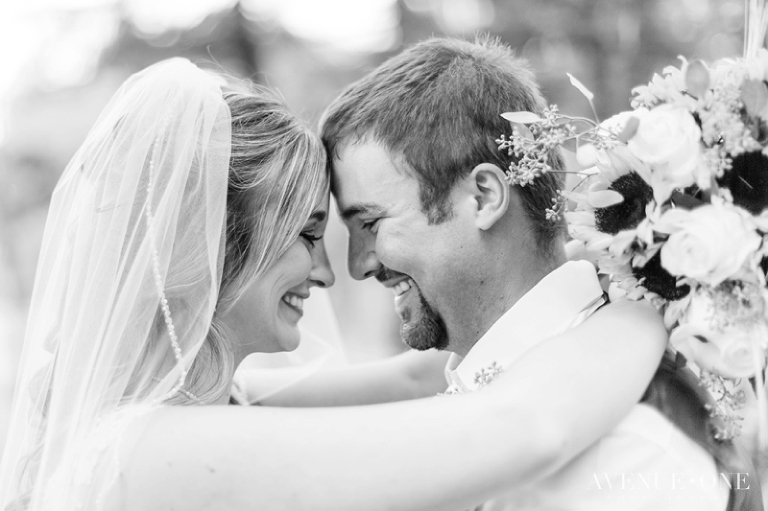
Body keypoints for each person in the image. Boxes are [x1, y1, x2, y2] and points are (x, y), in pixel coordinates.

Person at [0, 57, 671, 511]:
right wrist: (666, 287)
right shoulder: (157, 450)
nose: (330, 271)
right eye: (308, 232)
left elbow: (425, 379)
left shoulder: (203, 402)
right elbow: (526, 425)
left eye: (361, 223)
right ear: (201, 249)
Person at [318, 36, 763, 510]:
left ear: (484, 197)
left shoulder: (634, 452)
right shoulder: (502, 383)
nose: (357, 265)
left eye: (369, 223)